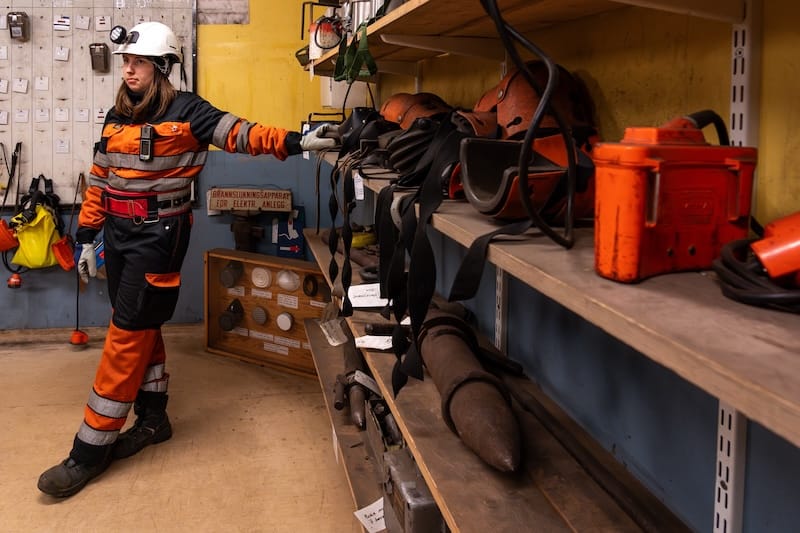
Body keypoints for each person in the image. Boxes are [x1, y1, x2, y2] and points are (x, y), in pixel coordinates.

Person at [37, 21, 335, 498]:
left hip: (159, 236)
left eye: (137, 63)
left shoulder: (188, 112)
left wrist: (297, 141)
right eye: (126, 62)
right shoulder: (115, 118)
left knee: (126, 336)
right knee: (140, 322)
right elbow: (101, 181)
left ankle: (88, 451)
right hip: (116, 233)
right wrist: (86, 236)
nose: (128, 70)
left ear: (161, 67)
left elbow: (241, 134)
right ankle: (154, 420)